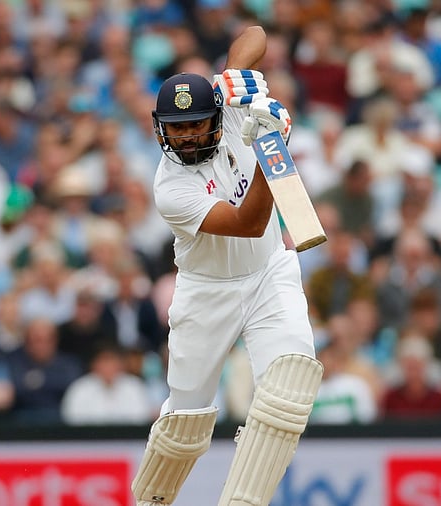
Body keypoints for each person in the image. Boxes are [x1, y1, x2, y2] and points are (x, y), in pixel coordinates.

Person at [131, 26, 323, 506]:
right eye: (176, 128)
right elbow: (248, 223)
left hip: (268, 273)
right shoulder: (170, 188)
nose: (186, 136)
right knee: (185, 419)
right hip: (207, 291)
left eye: (195, 124)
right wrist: (271, 146)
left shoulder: (231, 106)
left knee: (290, 383)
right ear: (161, 129)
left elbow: (255, 34)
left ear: (216, 113)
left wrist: (236, 78)